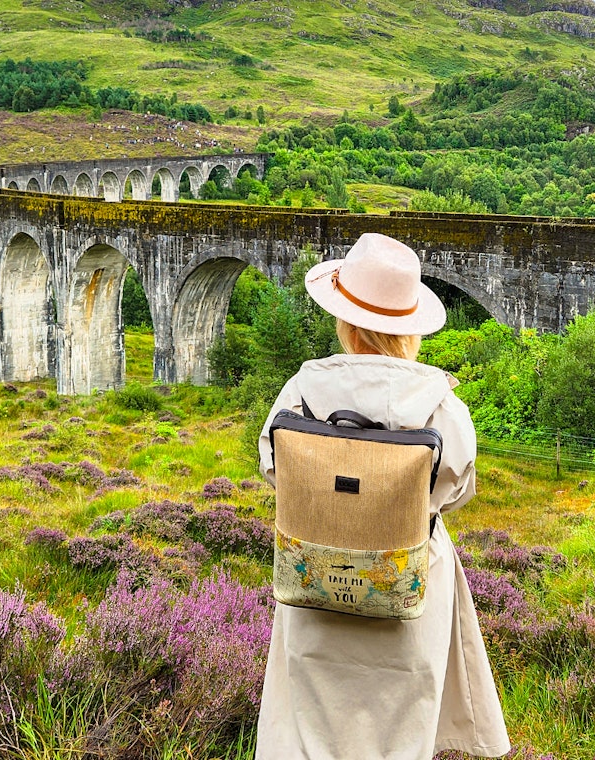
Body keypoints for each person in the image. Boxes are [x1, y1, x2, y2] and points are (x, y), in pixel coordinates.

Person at [255, 232, 511, 759]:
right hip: (407, 591)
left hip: (314, 586)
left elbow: (273, 469)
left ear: (344, 320)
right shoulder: (441, 405)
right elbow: (456, 491)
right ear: (410, 329)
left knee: (309, 737)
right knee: (402, 736)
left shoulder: (300, 391)